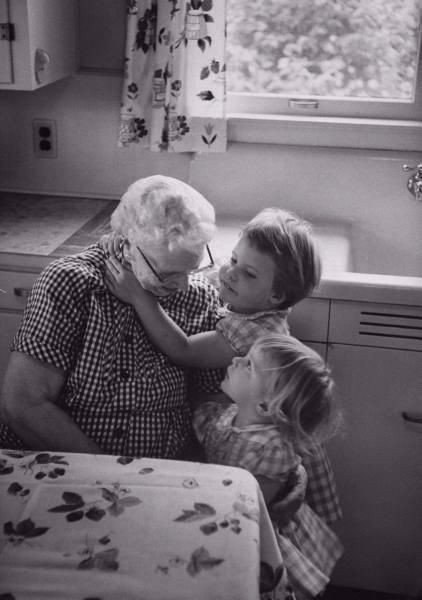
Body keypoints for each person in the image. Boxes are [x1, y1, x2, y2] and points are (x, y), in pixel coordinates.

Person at [104, 206, 342, 525]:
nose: (230, 273)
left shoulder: (254, 332)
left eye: (249, 273)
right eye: (233, 259)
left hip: (246, 438)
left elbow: (183, 350)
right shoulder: (252, 304)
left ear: (276, 296)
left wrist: (141, 298)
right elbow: (220, 281)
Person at [0, 175, 222, 458]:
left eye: (191, 269)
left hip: (167, 468)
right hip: (73, 463)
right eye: (168, 274)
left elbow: (210, 399)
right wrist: (110, 471)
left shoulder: (200, 295)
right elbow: (23, 405)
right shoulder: (70, 283)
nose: (183, 286)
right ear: (128, 246)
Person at [193, 333, 343, 600]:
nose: (236, 360)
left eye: (249, 365)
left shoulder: (270, 447)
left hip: (256, 532)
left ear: (264, 406)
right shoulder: (230, 414)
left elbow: (257, 505)